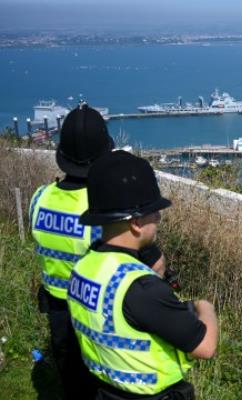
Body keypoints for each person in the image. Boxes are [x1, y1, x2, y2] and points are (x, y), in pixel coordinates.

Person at [67, 150, 218, 399]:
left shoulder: (83, 267)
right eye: (153, 211)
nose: (158, 217)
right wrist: (205, 307)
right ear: (136, 223)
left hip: (103, 388)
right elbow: (206, 347)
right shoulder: (142, 289)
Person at [29, 103, 114, 399]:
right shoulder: (100, 208)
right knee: (98, 378)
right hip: (92, 310)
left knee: (69, 374)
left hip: (56, 306)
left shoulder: (40, 198)